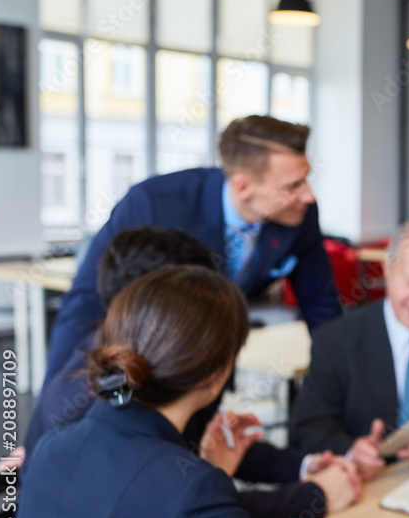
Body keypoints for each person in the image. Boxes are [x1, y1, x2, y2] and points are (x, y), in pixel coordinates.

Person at [16, 265, 409, 518]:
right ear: (216, 376)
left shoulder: (54, 445)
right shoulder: (185, 487)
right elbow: (172, 512)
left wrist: (213, 476)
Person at [22, 227, 338, 518]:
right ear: (150, 304)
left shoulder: (139, 368)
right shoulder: (92, 409)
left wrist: (304, 466)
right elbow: (192, 517)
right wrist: (315, 497)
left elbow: (205, 448)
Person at [43, 114, 342, 385]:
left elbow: (321, 305)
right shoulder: (155, 203)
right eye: (293, 185)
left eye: (306, 180)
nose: (309, 196)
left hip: (214, 359)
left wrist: (342, 388)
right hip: (145, 357)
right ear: (243, 187)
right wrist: (51, 414)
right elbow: (85, 302)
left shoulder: (298, 216)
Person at [291, 222, 409, 481]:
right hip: (366, 486)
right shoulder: (337, 339)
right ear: (387, 269)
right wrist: (350, 452)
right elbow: (308, 429)